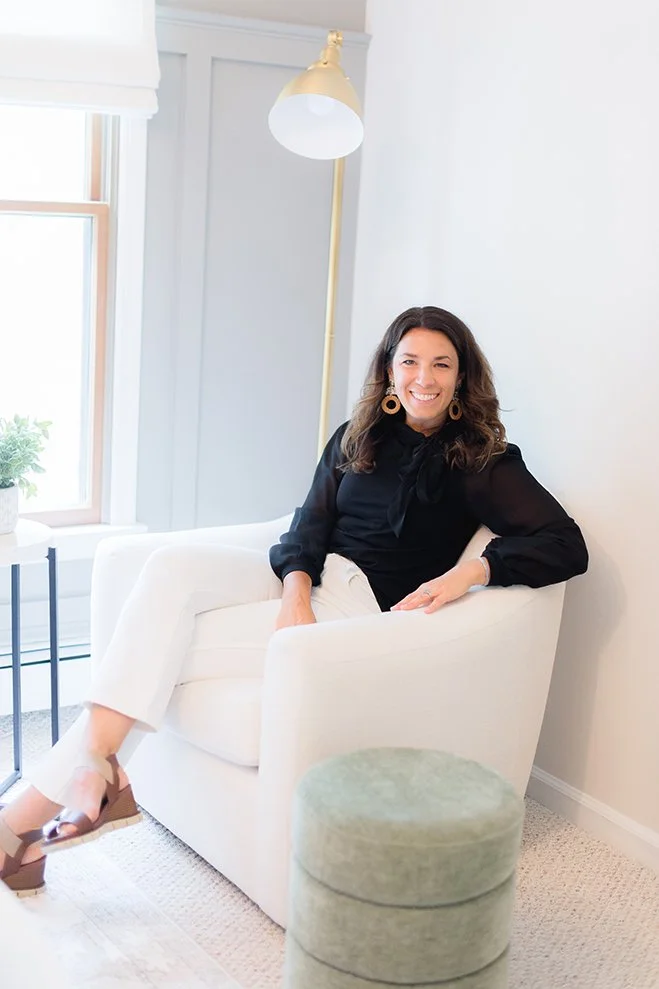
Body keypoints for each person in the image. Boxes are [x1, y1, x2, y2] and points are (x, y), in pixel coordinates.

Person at [0, 306, 588, 895]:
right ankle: (90, 774)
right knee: (169, 568)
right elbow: (309, 525)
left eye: (441, 364)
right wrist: (295, 594)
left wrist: (471, 573)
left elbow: (567, 545)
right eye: (409, 361)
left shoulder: (482, 460)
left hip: (358, 604)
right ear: (388, 370)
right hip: (306, 581)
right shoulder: (358, 435)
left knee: (159, 649)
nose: (423, 378)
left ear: (462, 378)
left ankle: (20, 827)